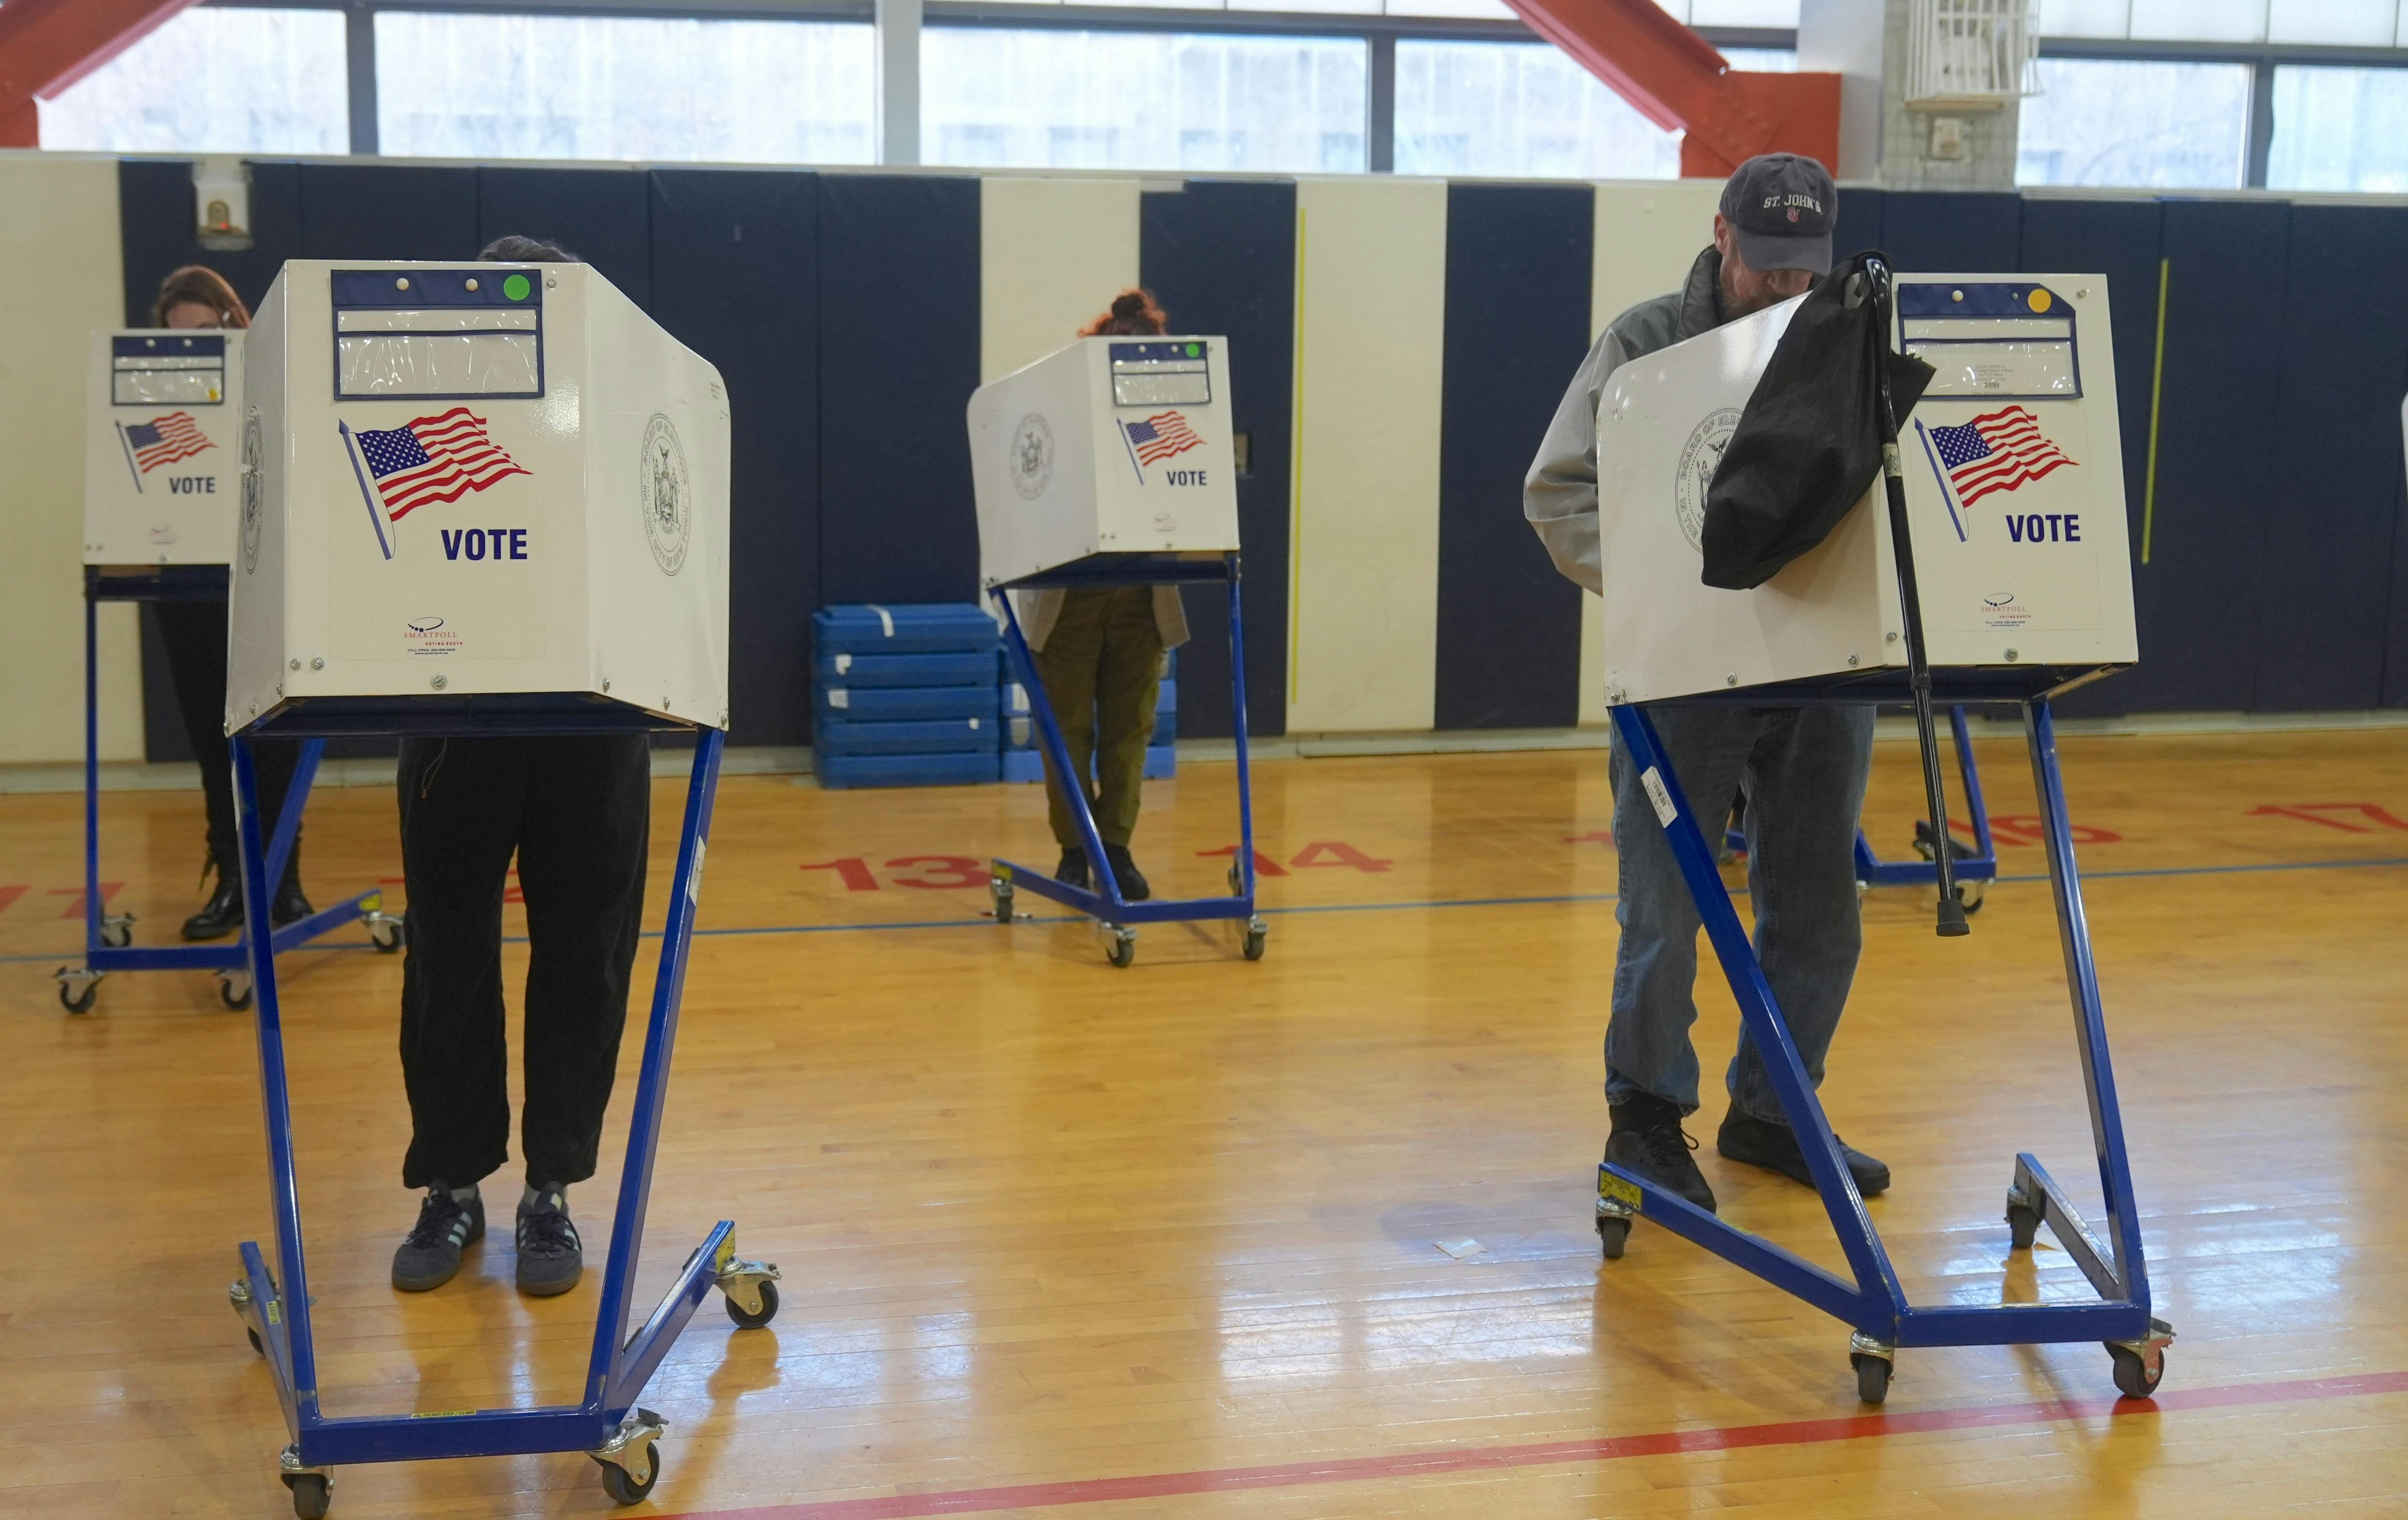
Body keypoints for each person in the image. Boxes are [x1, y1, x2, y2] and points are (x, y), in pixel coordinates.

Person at [1523, 155, 1890, 1214]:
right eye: (1765, 265)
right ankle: (1643, 1115)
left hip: (1820, 660)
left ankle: (1774, 1109)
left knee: (1820, 903)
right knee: (1664, 906)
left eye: (1801, 269)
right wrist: (1658, 589)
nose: (1784, 287)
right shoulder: (1642, 346)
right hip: (1681, 677)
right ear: (1720, 238)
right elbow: (1554, 496)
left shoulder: (1845, 335)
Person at [388, 235, 651, 1299]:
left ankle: (552, 1188)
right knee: (447, 957)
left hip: (592, 718)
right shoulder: (408, 423)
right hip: (456, 715)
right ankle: (452, 1181)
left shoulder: (621, 415)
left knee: (584, 955)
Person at [148, 265, 312, 940]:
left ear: (231, 319)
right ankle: (232, 881)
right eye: (179, 337)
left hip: (264, 583)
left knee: (276, 741)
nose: (196, 346)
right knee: (215, 745)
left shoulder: (271, 376)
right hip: (188, 587)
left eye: (206, 330)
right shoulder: (153, 399)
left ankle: (283, 882)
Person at [1017, 288, 1189, 901]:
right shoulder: (1057, 412)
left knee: (1128, 732)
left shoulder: (1177, 414)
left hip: (1143, 593)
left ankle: (1114, 848)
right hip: (1069, 594)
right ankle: (1075, 850)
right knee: (1064, 735)